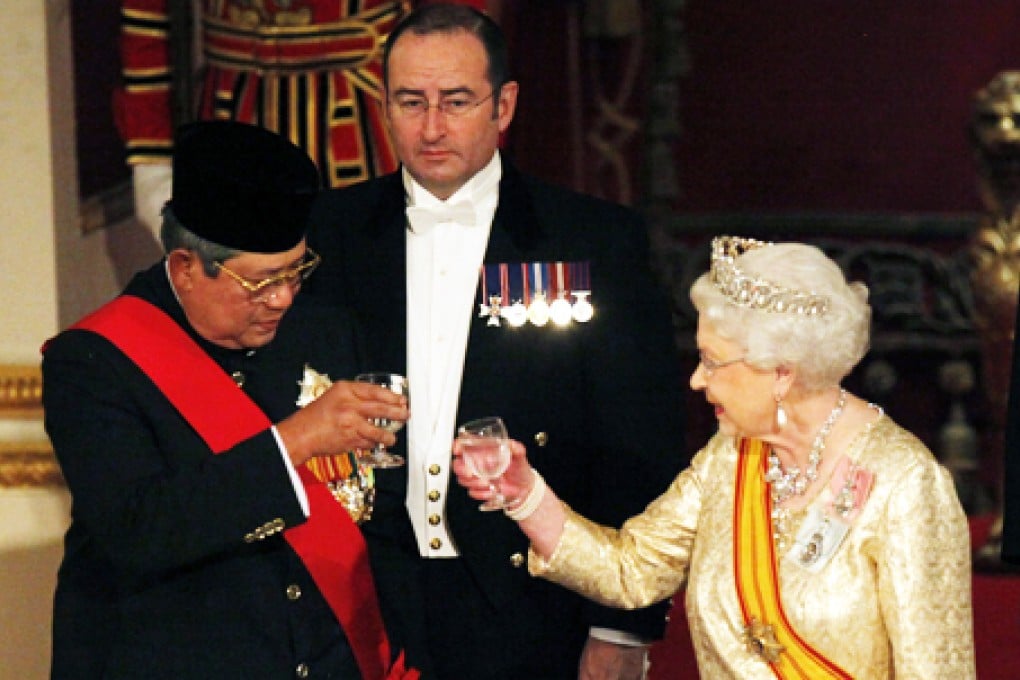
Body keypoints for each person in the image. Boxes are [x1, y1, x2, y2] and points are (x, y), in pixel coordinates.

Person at [304, 4, 688, 678]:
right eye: (410, 102)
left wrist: (623, 627)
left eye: (455, 102)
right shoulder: (326, 234)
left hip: (528, 603)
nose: (431, 128)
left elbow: (639, 444)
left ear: (502, 106)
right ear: (383, 106)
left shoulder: (591, 239)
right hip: (362, 595)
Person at [456, 235, 977, 679]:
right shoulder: (729, 458)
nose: (697, 380)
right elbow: (630, 570)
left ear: (781, 372)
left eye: (711, 361)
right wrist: (525, 494)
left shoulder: (906, 484)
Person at [42, 120, 419, 679]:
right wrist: (296, 439)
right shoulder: (94, 363)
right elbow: (138, 529)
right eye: (261, 282)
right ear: (186, 268)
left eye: (296, 271)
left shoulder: (324, 328)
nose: (284, 298)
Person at [115, 0, 493, 238]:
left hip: (363, 119)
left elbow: (456, 16)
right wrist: (152, 159)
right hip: (233, 111)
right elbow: (145, 11)